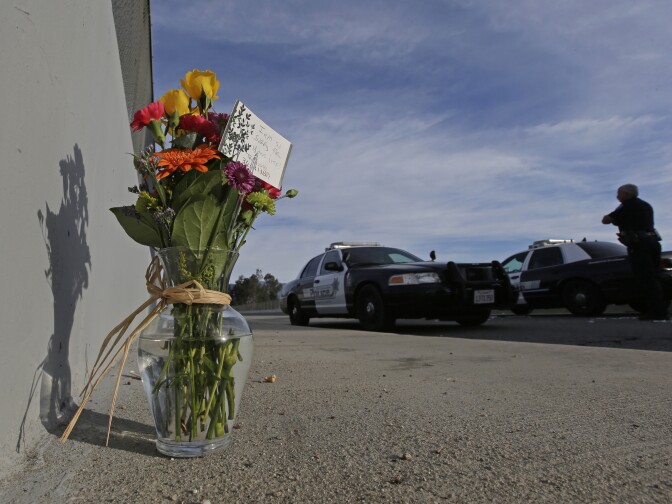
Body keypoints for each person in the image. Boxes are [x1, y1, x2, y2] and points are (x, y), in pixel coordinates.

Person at [602, 184, 668, 321]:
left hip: (639, 244)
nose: (617, 196)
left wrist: (610, 217)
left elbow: (606, 220)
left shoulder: (626, 206)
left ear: (626, 194)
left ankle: (655, 311)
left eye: (619, 193)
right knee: (655, 276)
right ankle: (661, 308)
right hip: (652, 242)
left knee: (646, 278)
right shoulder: (646, 205)